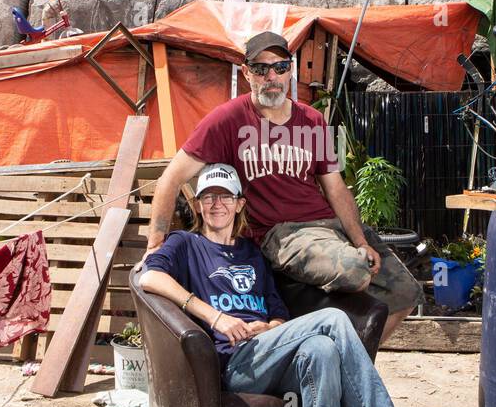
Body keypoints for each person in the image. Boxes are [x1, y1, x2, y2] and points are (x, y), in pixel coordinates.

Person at [139, 163, 436, 407]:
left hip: (269, 349)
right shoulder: (187, 245)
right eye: (208, 197)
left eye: (225, 197)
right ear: (198, 206)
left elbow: (278, 312)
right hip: (235, 360)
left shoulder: (252, 253)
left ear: (239, 204)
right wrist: (216, 318)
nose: (216, 205)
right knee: (333, 321)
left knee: (322, 351)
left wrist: (271, 327)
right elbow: (149, 276)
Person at [145, 31, 422, 343]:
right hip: (280, 234)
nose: (271, 77)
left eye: (279, 67)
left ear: (291, 70)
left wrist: (360, 239)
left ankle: (353, 369)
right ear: (246, 72)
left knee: (408, 292)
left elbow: (336, 189)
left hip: (328, 228)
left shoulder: (312, 120)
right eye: (261, 69)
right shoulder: (227, 120)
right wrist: (156, 243)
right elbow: (171, 178)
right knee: (356, 270)